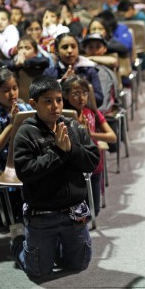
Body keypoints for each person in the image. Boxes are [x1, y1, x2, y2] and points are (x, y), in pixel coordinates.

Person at [10, 75, 99, 278]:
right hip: (42, 214)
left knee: (78, 264)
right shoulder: (26, 132)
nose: (55, 106)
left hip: (73, 212)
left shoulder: (73, 127)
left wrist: (71, 149)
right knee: (39, 271)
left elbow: (92, 161)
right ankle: (17, 243)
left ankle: (56, 245)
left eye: (58, 100)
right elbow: (25, 172)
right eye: (47, 101)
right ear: (34, 104)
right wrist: (59, 153)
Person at [62, 76, 116, 217]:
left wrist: (91, 134)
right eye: (76, 94)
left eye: (84, 93)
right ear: (66, 96)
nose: (81, 98)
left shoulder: (91, 112)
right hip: (73, 168)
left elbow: (112, 137)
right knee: (76, 211)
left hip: (93, 165)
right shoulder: (63, 117)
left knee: (93, 211)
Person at [0, 68, 33, 173]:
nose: (12, 93)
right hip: (0, 168)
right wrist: (11, 124)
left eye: (15, 88)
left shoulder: (27, 109)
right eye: (6, 90)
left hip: (26, 164)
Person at [43, 33, 104, 107]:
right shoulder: (49, 73)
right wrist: (62, 84)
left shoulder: (89, 70)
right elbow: (45, 100)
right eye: (65, 47)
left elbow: (99, 100)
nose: (69, 50)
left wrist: (82, 90)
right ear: (56, 51)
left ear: (78, 48)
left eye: (73, 46)